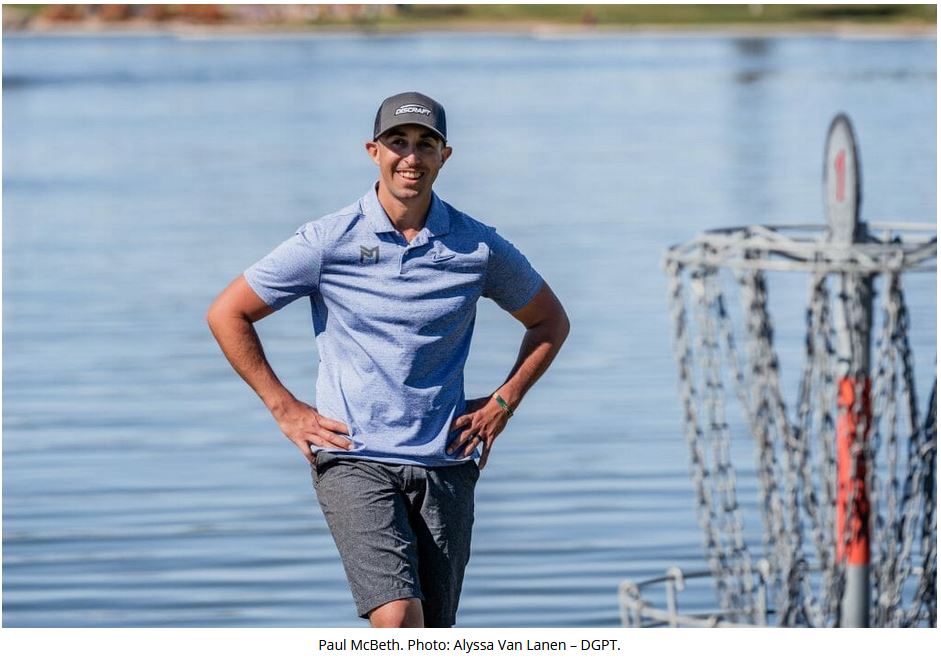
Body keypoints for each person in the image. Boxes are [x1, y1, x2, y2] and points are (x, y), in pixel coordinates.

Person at [206, 91, 569, 628]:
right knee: (398, 619)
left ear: (445, 156)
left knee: (433, 631)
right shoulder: (328, 241)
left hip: (446, 460)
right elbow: (228, 313)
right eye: (398, 142)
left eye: (426, 144)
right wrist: (284, 408)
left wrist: (503, 403)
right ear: (373, 151)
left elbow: (550, 322)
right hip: (353, 457)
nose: (411, 157)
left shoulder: (477, 248)